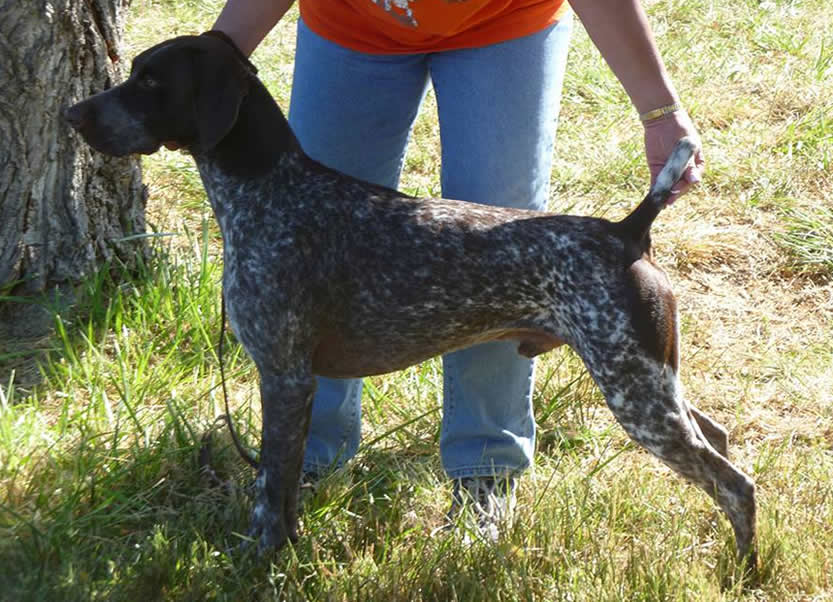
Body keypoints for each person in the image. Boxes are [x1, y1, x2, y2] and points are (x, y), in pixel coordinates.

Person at [211, 0, 704, 536]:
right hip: (350, 24)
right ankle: (309, 459)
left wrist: (659, 108)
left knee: (508, 261)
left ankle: (485, 469)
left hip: (503, 21)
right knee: (310, 247)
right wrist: (210, 60)